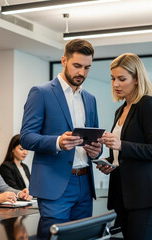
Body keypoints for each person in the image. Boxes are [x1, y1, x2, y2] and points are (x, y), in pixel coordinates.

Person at [20, 39, 102, 238]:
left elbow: (94, 141)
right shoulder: (41, 92)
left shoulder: (90, 99)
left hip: (85, 183)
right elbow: (26, 137)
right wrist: (57, 142)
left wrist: (96, 150)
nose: (81, 73)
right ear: (64, 61)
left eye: (87, 68)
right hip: (55, 185)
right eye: (77, 66)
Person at [97, 53, 152, 240]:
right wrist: (109, 161)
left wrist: (121, 144)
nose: (116, 84)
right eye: (113, 79)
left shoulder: (148, 104)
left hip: (145, 195)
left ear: (137, 79)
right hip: (124, 194)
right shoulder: (120, 110)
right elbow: (124, 154)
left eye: (122, 79)